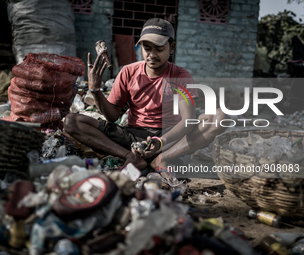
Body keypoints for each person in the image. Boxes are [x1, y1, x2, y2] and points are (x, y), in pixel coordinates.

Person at [64, 18, 225, 173]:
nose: (152, 54)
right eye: (147, 48)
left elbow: (188, 120)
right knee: (71, 121)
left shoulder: (180, 76)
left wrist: (161, 142)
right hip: (133, 136)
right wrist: (95, 90)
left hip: (169, 136)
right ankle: (131, 157)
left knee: (218, 117)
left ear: (172, 48)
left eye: (159, 49)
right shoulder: (128, 72)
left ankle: (161, 158)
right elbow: (112, 116)